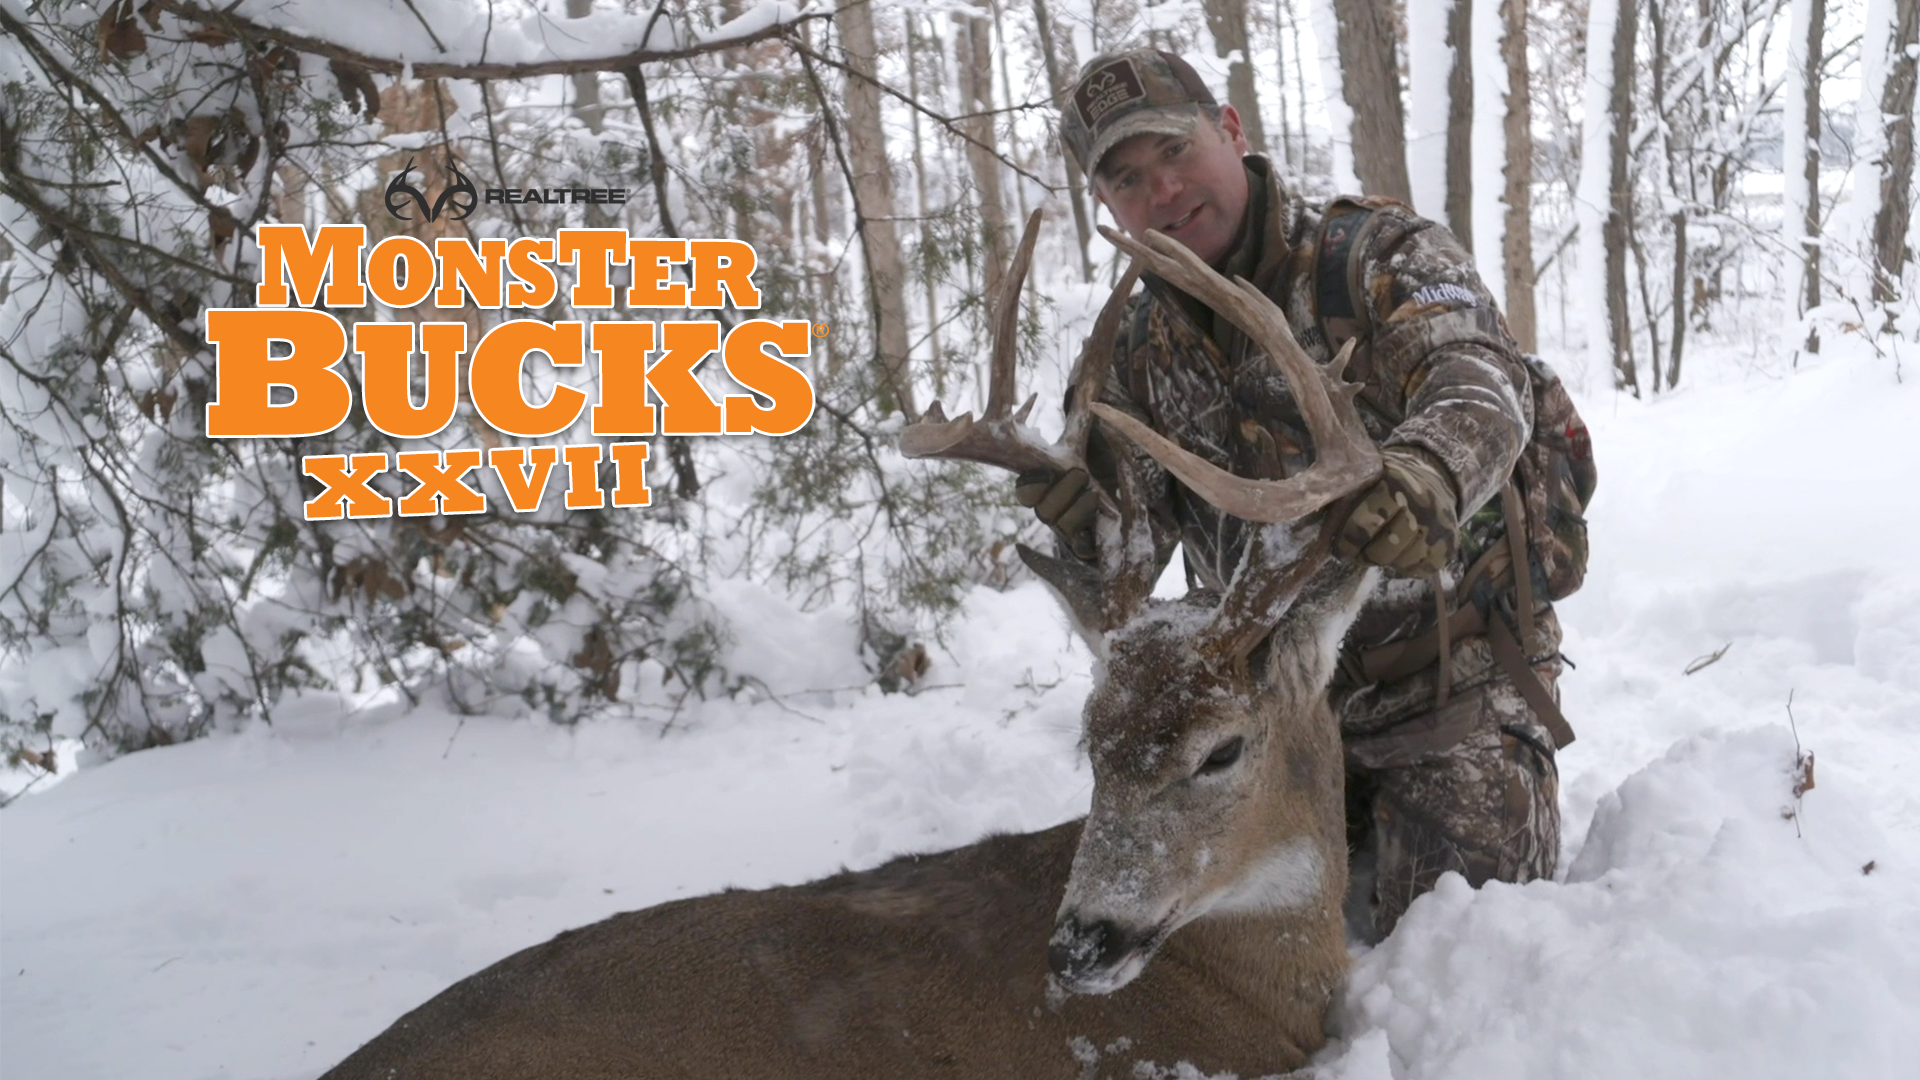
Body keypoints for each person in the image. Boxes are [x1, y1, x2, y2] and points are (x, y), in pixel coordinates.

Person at [1022, 49, 1573, 937]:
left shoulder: (1379, 256)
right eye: (1126, 177)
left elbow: (1477, 378)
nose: (1160, 190)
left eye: (1173, 150)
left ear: (1231, 131)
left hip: (1443, 683)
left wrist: (1425, 475)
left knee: (1460, 953)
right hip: (1256, 719)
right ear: (1106, 204)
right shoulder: (1130, 346)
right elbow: (1125, 544)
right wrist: (1088, 523)